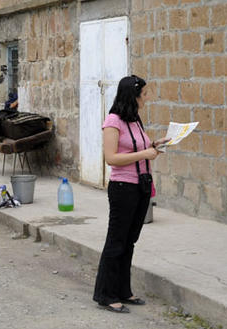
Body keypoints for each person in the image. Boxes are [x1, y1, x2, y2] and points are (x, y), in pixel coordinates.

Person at [93, 75, 169, 313]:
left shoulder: (134, 120)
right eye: (144, 94)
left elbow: (138, 147)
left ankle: (123, 291)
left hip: (141, 185)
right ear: (133, 96)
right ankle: (106, 294)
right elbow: (112, 158)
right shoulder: (113, 121)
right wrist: (144, 155)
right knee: (116, 241)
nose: (147, 98)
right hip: (123, 188)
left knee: (129, 241)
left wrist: (156, 144)